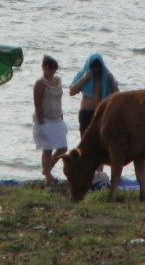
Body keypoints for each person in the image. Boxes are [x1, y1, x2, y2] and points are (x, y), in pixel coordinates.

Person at [33, 55, 69, 186]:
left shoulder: (58, 80)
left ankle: (46, 170)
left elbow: (59, 100)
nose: (51, 71)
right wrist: (41, 120)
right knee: (47, 149)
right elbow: (37, 103)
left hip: (57, 117)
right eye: (48, 68)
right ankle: (48, 176)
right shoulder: (40, 83)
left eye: (53, 69)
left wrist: (61, 116)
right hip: (45, 119)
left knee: (63, 148)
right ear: (43, 67)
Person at [69, 52, 120, 135]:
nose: (96, 69)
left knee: (100, 141)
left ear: (101, 66)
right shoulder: (83, 74)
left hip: (100, 113)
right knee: (84, 140)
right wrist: (84, 79)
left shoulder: (106, 76)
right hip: (86, 111)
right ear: (90, 65)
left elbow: (117, 95)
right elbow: (72, 92)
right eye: (93, 66)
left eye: (98, 66)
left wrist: (111, 82)